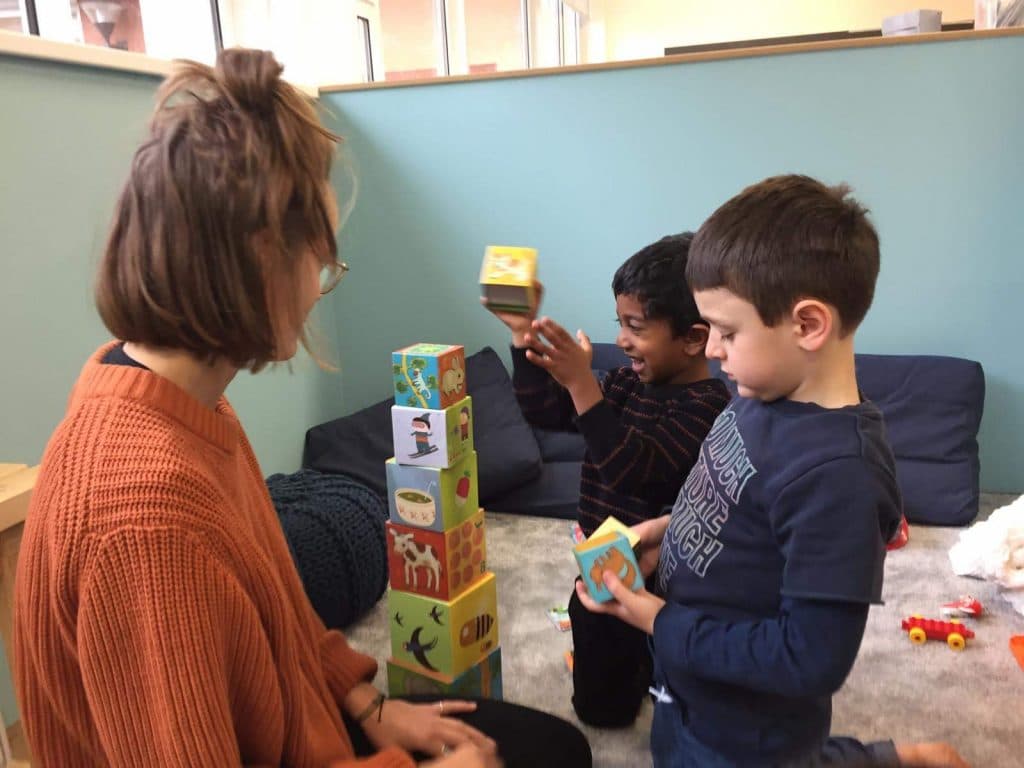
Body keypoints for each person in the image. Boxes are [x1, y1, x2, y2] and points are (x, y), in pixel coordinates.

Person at [13, 49, 590, 768]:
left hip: (310, 721)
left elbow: (281, 610)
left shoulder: (184, 403)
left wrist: (366, 702)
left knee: (551, 747)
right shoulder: (147, 518)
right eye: (318, 262)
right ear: (261, 258)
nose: (318, 289)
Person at [575, 175, 969, 767]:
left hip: (747, 725)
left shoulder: (841, 478)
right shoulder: (759, 393)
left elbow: (809, 660)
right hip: (687, 682)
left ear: (807, 325)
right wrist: (662, 531)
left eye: (728, 332)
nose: (712, 350)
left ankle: (899, 758)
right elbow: (736, 500)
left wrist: (660, 621)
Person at [484, 234, 730, 727]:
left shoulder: (707, 406)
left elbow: (633, 470)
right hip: (605, 563)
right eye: (620, 323)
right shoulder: (624, 383)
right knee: (601, 706)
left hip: (666, 575)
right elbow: (545, 411)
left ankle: (654, 677)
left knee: (676, 679)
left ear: (693, 338)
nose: (620, 340)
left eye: (635, 327)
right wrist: (522, 334)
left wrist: (581, 383)